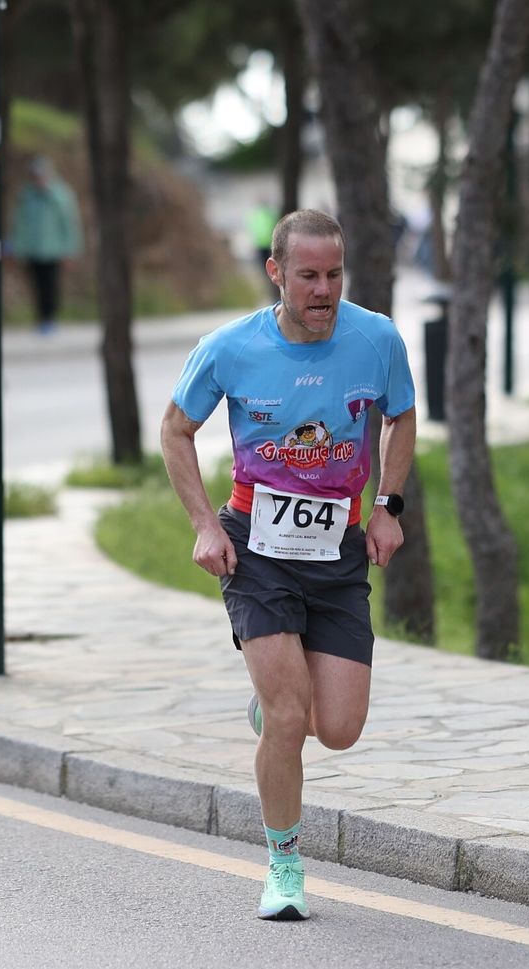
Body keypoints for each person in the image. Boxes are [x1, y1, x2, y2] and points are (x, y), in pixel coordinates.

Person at [160, 208, 417, 922]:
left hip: (336, 550)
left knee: (337, 727)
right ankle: (284, 862)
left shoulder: (377, 339)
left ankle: (279, 706)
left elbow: (402, 413)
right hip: (257, 549)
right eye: (308, 275)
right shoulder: (230, 348)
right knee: (288, 713)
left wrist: (388, 505)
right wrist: (205, 525)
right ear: (276, 273)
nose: (324, 289)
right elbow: (176, 430)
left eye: (334, 274)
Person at [7, 155, 82, 334]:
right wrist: (17, 247)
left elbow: (70, 224)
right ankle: (40, 317)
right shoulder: (27, 195)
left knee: (51, 285)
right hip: (33, 249)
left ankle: (50, 318)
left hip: (53, 250)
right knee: (37, 284)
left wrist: (71, 250)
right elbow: (20, 224)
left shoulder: (61, 195)